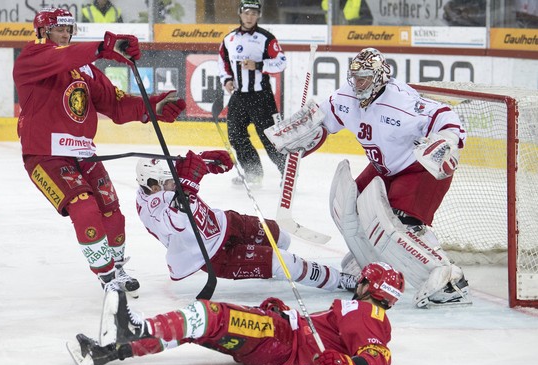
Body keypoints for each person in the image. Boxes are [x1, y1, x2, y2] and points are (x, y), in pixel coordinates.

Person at [264, 47, 471, 308]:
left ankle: (450, 279)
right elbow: (323, 120)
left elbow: (445, 115)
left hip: (419, 170)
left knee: (402, 224)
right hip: (384, 168)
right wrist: (303, 131)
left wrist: (448, 139)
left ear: (380, 77)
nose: (358, 83)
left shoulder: (401, 102)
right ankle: (372, 259)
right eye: (355, 77)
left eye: (364, 77)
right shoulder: (347, 97)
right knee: (352, 208)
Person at [12, 7, 186, 295]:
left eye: (69, 29)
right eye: (59, 28)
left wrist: (152, 108)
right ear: (43, 31)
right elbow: (65, 57)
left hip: (84, 154)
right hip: (46, 156)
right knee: (85, 208)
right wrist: (104, 47)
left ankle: (117, 266)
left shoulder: (86, 69)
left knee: (112, 212)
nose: (65, 34)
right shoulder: (32, 57)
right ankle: (106, 276)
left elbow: (115, 104)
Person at [67, 262, 405, 365]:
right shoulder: (361, 313)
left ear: (370, 287)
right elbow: (330, 331)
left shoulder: (367, 313)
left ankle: (133, 330)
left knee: (207, 316)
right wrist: (286, 313)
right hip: (279, 331)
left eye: (363, 280)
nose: (357, 283)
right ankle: (112, 350)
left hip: (279, 340)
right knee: (200, 326)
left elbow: (378, 357)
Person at [134, 151, 357, 292]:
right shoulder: (150, 210)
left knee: (281, 236)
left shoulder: (159, 183)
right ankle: (340, 281)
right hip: (214, 256)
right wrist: (188, 184)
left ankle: (267, 266)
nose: (176, 184)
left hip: (225, 223)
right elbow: (178, 220)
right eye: (172, 182)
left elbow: (186, 172)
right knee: (285, 262)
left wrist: (206, 162)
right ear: (154, 187)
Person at [218, 0, 287, 187]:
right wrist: (227, 80)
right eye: (247, 12)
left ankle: (287, 174)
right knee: (236, 135)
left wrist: (258, 65)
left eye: (254, 13)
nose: (250, 17)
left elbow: (281, 62)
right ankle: (253, 173)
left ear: (259, 15)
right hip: (239, 96)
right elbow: (223, 63)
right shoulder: (229, 39)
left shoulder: (266, 38)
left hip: (261, 96)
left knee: (270, 136)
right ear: (240, 13)